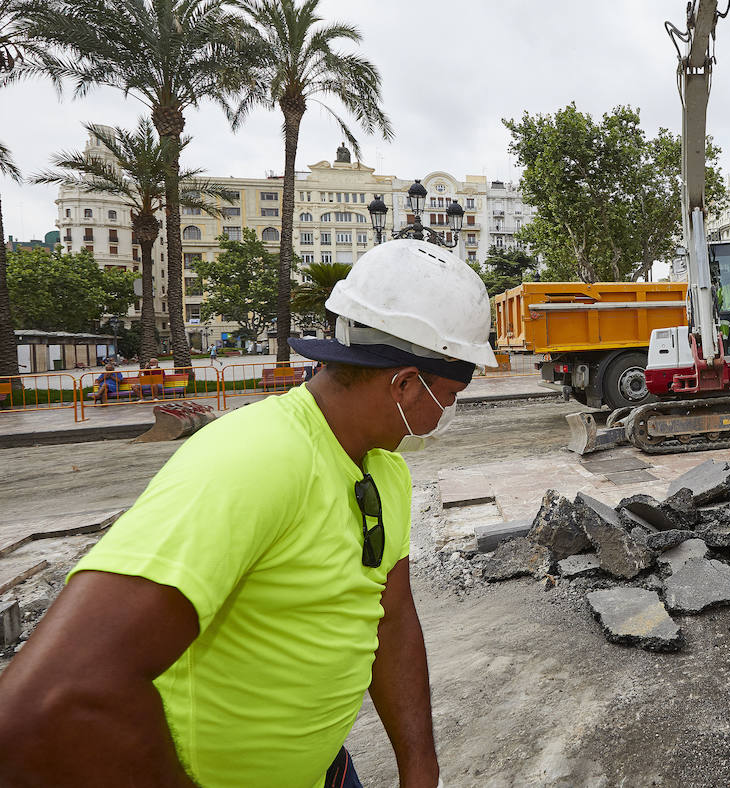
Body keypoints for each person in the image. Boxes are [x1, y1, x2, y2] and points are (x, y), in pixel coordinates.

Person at [0, 240, 496, 788]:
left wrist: (420, 767)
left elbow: (391, 612)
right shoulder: (254, 460)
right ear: (404, 383)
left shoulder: (384, 471)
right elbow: (52, 700)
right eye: (448, 394)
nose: (449, 412)